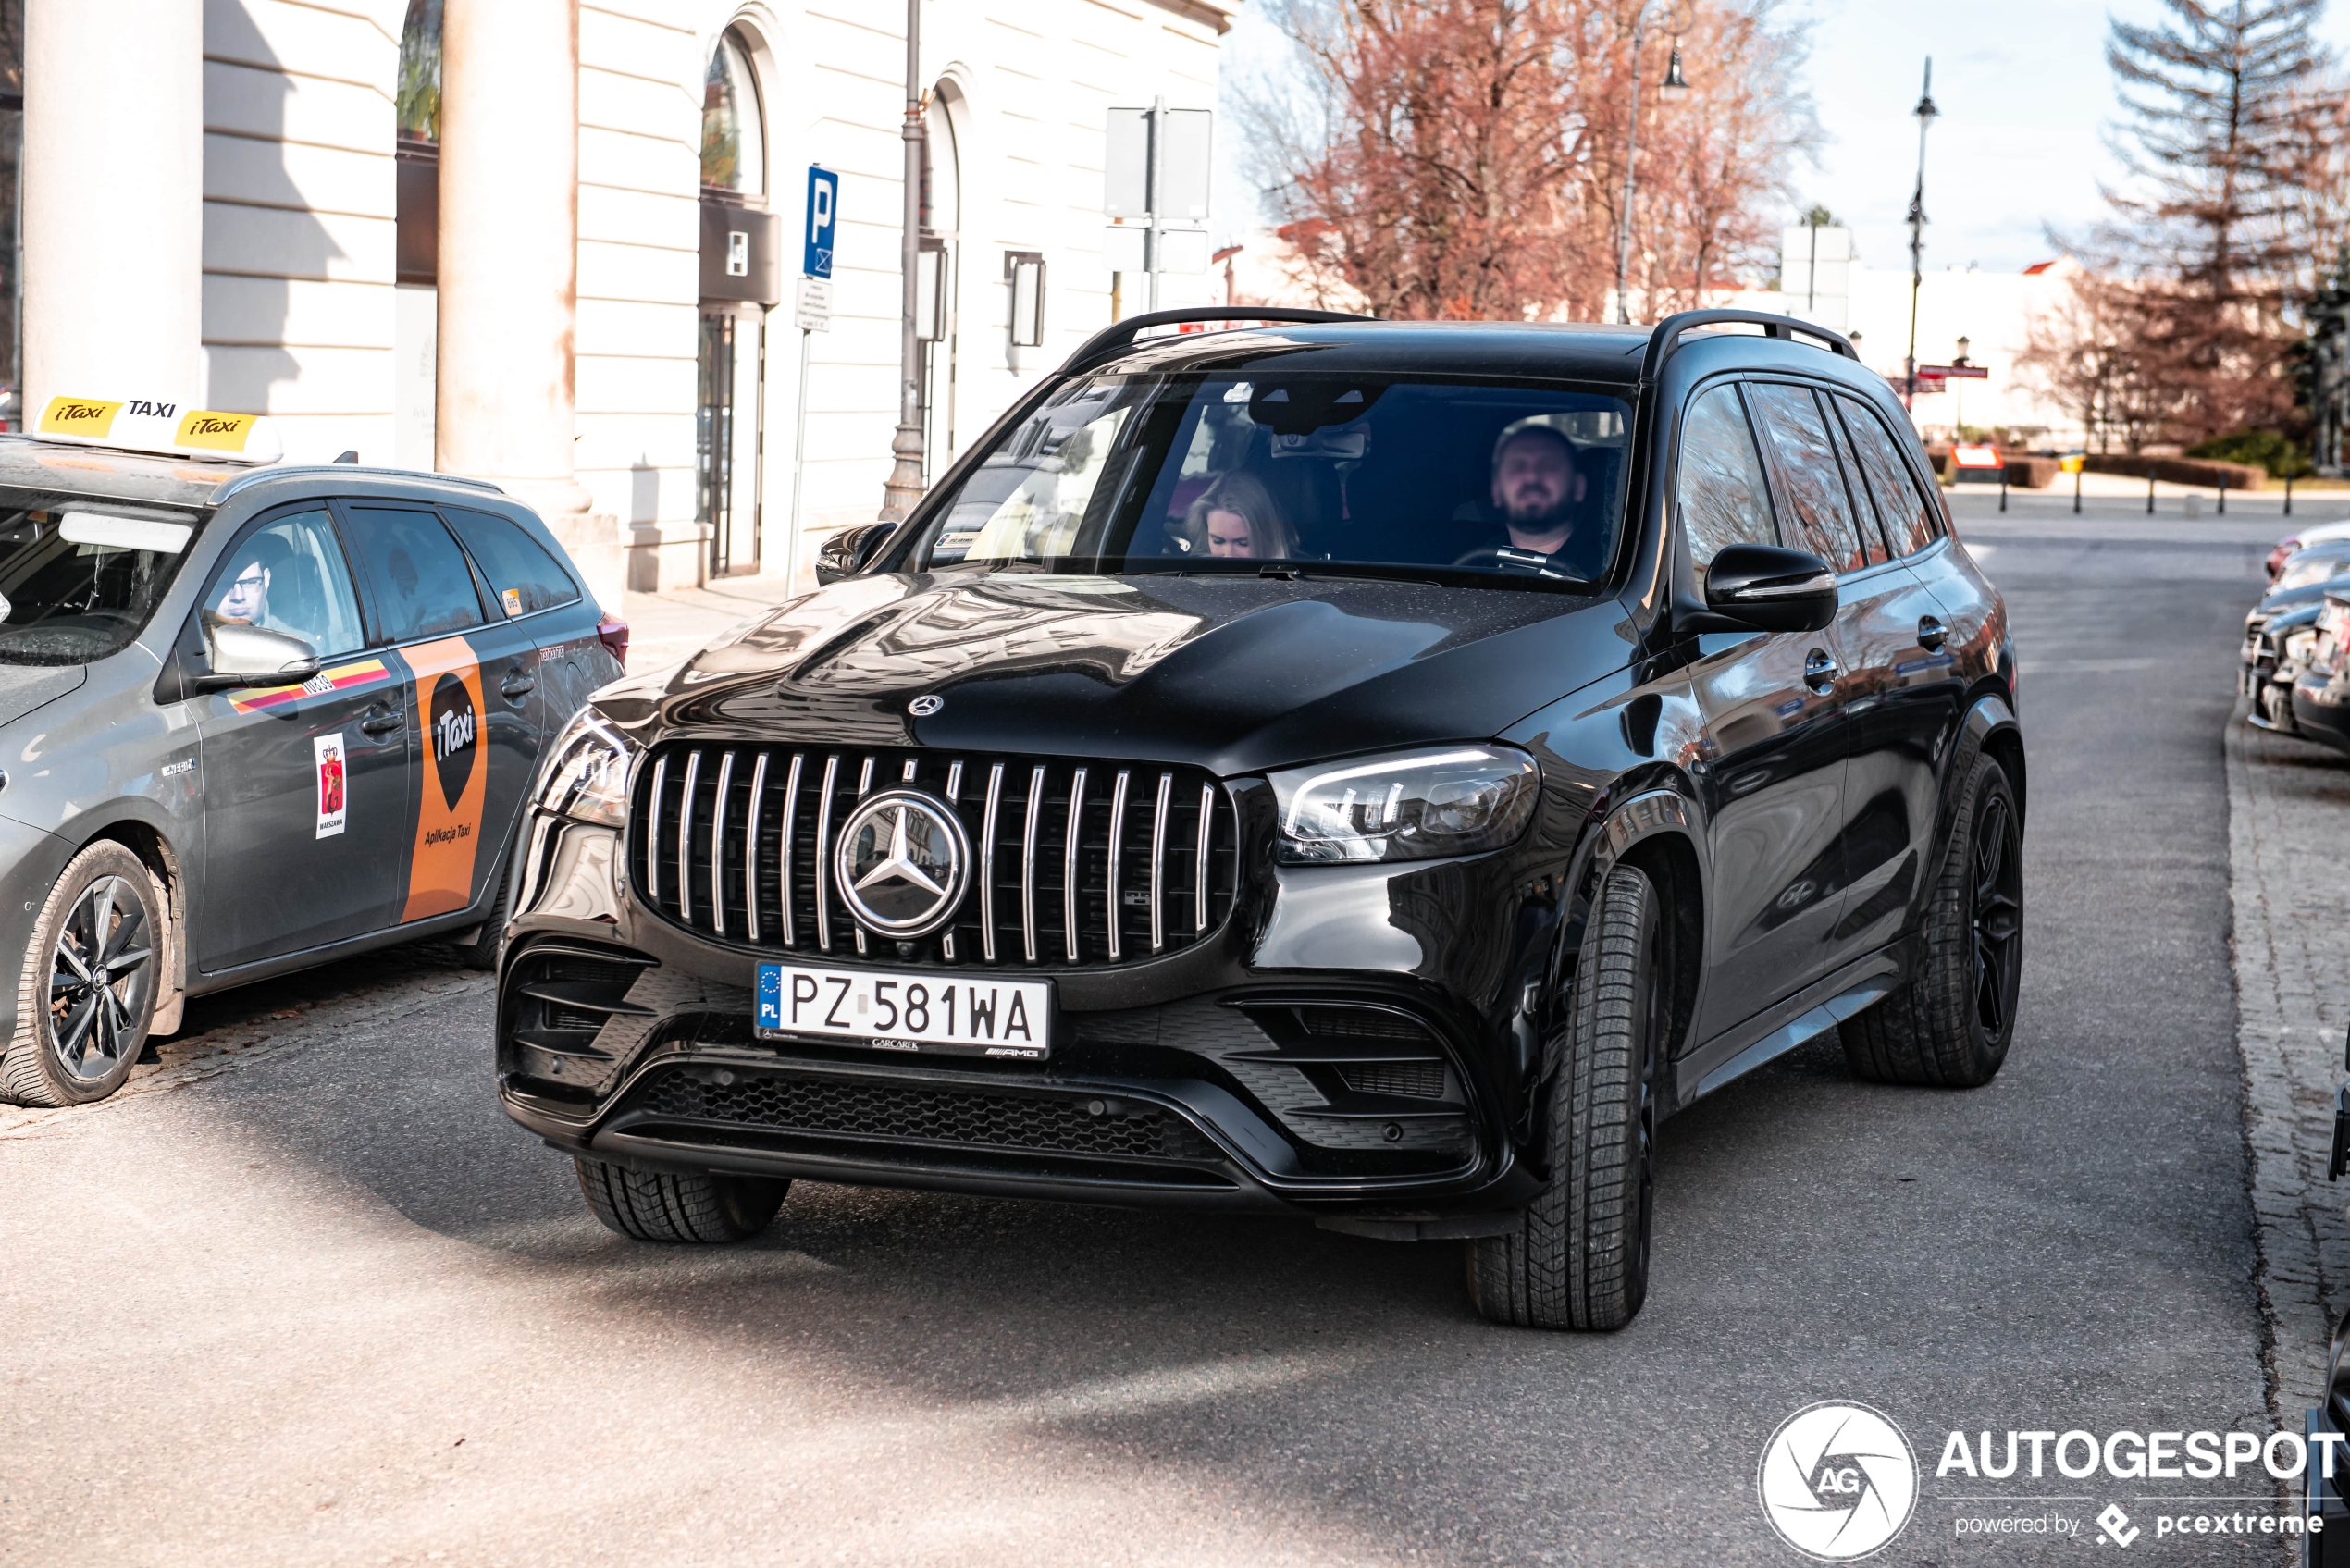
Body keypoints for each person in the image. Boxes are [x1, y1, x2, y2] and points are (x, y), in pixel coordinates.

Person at [1480, 423, 1589, 574]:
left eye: (1549, 465)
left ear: (1579, 487)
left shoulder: (1610, 572)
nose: (1531, 477)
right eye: (1517, 466)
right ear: (1496, 490)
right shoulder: (1466, 566)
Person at [1180, 471, 1295, 561]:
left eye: (1242, 543)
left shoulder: (1296, 582)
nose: (1228, 555)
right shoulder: (1192, 576)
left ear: (1267, 538)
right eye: (1218, 541)